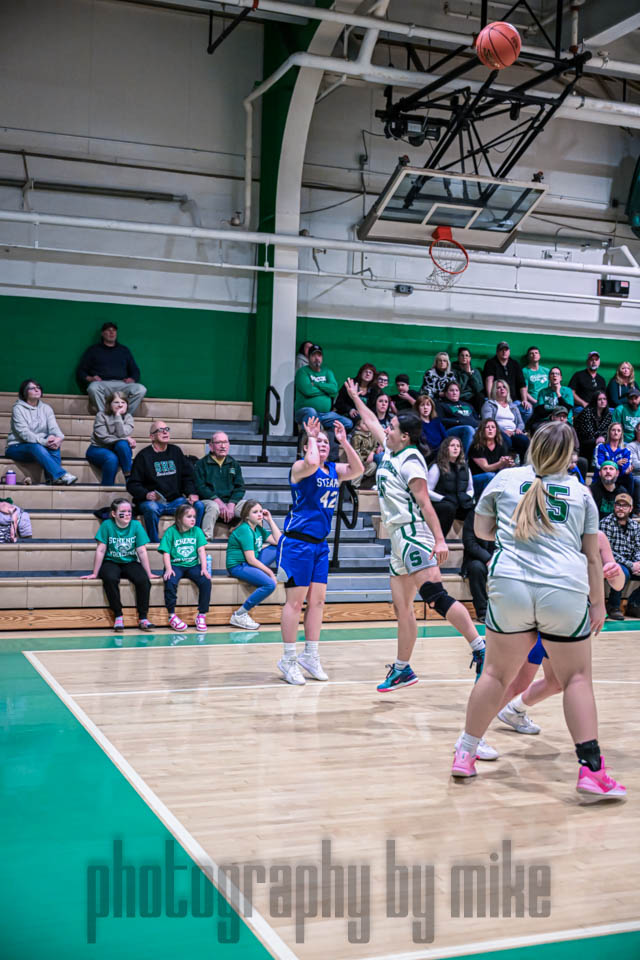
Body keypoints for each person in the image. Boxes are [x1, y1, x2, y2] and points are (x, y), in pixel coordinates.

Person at [452, 421, 626, 800]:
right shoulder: (581, 493)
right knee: (576, 678)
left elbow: (481, 531)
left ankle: (465, 753)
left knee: (495, 674)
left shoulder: (504, 479)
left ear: (533, 447)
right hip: (562, 588)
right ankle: (591, 771)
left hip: (510, 583)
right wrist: (598, 604)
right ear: (570, 456)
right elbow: (592, 558)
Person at [345, 381, 489, 699]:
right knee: (403, 608)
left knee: (435, 597)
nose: (387, 428)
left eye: (393, 427)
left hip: (413, 534)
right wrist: (355, 397)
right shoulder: (392, 449)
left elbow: (425, 503)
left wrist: (440, 541)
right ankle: (403, 668)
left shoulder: (411, 461)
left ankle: (481, 648)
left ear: (405, 436)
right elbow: (371, 420)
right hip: (397, 539)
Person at [498, 532, 625, 733]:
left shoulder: (598, 537)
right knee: (521, 682)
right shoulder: (552, 530)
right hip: (543, 611)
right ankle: (472, 736)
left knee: (555, 682)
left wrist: (615, 573)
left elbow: (618, 584)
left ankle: (514, 710)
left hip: (571, 619)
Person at [275, 415, 363, 685]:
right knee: (295, 602)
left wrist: (344, 442)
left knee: (318, 602)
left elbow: (358, 469)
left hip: (319, 545)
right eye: (318, 442)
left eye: (326, 442)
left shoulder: (334, 470)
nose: (324, 444)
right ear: (306, 446)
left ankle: (310, 655)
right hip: (297, 543)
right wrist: (312, 436)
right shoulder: (300, 467)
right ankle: (288, 659)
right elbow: (312, 462)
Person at [81, 497, 155, 631]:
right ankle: (118, 615)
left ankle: (143, 618)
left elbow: (142, 551)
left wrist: (148, 573)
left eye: (129, 511)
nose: (127, 514)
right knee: (110, 578)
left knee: (143, 580)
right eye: (123, 512)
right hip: (111, 561)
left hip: (130, 561)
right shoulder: (107, 525)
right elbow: (101, 550)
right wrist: (94, 573)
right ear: (114, 514)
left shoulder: (136, 525)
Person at [126, 421, 204, 542]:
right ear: (152, 437)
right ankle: (154, 543)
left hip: (175, 501)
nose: (165, 432)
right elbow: (132, 484)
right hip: (153, 502)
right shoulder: (143, 456)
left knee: (199, 505)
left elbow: (187, 477)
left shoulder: (176, 451)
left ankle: (192, 540)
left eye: (167, 429)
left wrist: (191, 493)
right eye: (160, 430)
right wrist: (146, 494)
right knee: (150, 508)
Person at [6, 379, 77, 485]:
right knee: (36, 446)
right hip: (17, 447)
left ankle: (52, 479)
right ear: (24, 392)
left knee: (53, 443)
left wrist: (59, 438)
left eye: (38, 387)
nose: (37, 390)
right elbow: (24, 434)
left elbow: (54, 428)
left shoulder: (46, 408)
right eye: (32, 388)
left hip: (39, 448)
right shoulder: (18, 409)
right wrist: (44, 442)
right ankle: (61, 475)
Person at [226, 501, 281, 629]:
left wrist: (270, 520)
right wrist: (270, 573)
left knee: (278, 547)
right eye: (255, 512)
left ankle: (283, 572)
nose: (260, 514)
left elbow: (279, 541)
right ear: (246, 516)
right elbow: (250, 560)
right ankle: (240, 614)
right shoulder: (245, 530)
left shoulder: (257, 529)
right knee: (270, 584)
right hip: (238, 566)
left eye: (261, 511)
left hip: (250, 563)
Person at [159, 502, 211, 633]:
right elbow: (166, 553)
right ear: (179, 518)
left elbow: (201, 551)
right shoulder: (171, 532)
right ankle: (172, 615)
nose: (193, 519)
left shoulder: (197, 531)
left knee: (206, 581)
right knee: (170, 581)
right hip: (175, 565)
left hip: (192, 565)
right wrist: (168, 569)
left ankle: (201, 615)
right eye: (189, 516)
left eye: (194, 516)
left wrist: (204, 568)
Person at [76, 322, 147, 414]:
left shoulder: (124, 350)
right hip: (102, 384)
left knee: (141, 389)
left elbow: (135, 371)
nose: (111, 332)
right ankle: (104, 415)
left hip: (122, 384)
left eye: (114, 330)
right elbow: (81, 371)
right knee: (93, 388)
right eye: (108, 330)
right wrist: (91, 378)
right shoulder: (93, 350)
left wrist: (132, 379)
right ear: (102, 334)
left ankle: (125, 415)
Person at [194, 432, 246, 541]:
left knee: (251, 507)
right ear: (211, 446)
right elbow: (201, 487)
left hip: (230, 502)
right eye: (219, 443)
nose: (223, 446)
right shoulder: (201, 464)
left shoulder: (234, 464)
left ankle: (239, 533)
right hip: (210, 500)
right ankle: (206, 540)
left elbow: (240, 488)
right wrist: (219, 502)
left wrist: (231, 504)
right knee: (213, 507)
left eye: (225, 442)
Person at [600, 493, 640, 620]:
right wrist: (631, 565)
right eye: (618, 505)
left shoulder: (635, 526)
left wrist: (638, 563)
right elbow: (608, 552)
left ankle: (634, 604)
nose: (621, 508)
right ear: (614, 506)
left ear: (631, 508)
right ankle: (613, 606)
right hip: (611, 562)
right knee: (622, 572)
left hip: (630, 562)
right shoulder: (606, 523)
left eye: (625, 506)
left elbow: (638, 548)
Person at [294, 345, 352, 431]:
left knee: (348, 423)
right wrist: (326, 391)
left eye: (319, 355)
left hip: (325, 415)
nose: (317, 358)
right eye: (313, 355)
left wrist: (316, 384)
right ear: (308, 358)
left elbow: (334, 390)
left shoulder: (327, 372)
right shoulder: (302, 372)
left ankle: (325, 435)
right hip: (305, 412)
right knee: (311, 412)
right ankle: (307, 436)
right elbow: (308, 391)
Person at [427, 436, 475, 538]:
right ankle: (439, 539)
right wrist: (443, 498)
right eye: (452, 445)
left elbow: (470, 489)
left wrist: (467, 497)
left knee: (477, 509)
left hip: (459, 502)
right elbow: (427, 490)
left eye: (458, 446)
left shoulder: (465, 468)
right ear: (446, 448)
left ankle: (473, 542)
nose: (456, 448)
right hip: (441, 504)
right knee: (449, 508)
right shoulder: (437, 466)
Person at [85, 392, 136, 486]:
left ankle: (129, 477)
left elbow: (121, 434)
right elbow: (103, 437)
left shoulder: (128, 417)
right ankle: (107, 487)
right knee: (112, 458)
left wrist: (117, 416)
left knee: (123, 444)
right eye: (116, 402)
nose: (120, 405)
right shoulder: (101, 415)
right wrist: (126, 438)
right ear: (109, 404)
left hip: (118, 449)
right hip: (98, 448)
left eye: (123, 402)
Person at [482, 341, 531, 424]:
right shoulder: (490, 363)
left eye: (506, 350)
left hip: (513, 401)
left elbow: (522, 383)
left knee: (528, 410)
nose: (504, 352)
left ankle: (516, 427)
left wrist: (524, 400)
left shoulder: (515, 364)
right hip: (497, 400)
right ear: (497, 352)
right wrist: (491, 399)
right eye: (501, 350)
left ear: (509, 351)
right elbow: (489, 380)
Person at [481, 380, 529, 460]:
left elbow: (521, 423)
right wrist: (502, 431)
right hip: (498, 432)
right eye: (498, 388)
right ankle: (503, 463)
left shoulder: (513, 406)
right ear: (494, 391)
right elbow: (487, 422)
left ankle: (524, 464)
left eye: (504, 387)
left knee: (524, 440)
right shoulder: (489, 404)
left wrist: (518, 429)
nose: (502, 389)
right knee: (506, 440)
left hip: (513, 432)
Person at [460, 510, 494, 622]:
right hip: (477, 559)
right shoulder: (473, 515)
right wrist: (488, 559)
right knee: (476, 568)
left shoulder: (505, 515)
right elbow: (469, 543)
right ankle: (483, 612)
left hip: (500, 558)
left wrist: (498, 558)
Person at [468, 419, 513, 497]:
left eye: (493, 427)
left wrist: (508, 464)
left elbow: (502, 468)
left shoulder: (501, 445)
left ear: (496, 430)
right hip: (476, 481)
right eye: (487, 427)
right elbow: (486, 468)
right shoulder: (476, 446)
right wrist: (500, 463)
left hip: (494, 477)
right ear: (482, 430)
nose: (490, 429)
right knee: (490, 476)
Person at [436, 380, 478, 455]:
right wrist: (458, 421)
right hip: (451, 430)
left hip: (471, 427)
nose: (454, 393)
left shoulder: (467, 405)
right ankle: (463, 459)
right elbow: (440, 420)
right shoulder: (441, 405)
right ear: (445, 393)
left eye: (456, 390)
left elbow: (476, 419)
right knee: (469, 429)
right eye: (451, 390)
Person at [595, 423, 634, 497]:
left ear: (621, 434)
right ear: (609, 432)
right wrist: (616, 463)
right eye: (613, 430)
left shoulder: (626, 450)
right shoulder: (601, 447)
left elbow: (625, 468)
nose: (616, 433)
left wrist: (610, 463)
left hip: (619, 477)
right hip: (603, 476)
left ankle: (627, 501)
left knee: (629, 477)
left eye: (618, 431)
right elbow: (599, 465)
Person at [574, 391, 612, 465]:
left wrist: (603, 437)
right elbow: (588, 433)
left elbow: (607, 430)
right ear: (595, 401)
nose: (602, 401)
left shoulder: (608, 414)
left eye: (604, 399)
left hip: (599, 440)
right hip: (584, 441)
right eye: (599, 399)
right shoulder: (587, 412)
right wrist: (600, 437)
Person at [343, 419, 378, 489]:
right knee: (358, 470)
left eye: (367, 423)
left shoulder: (372, 435)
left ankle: (363, 479)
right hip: (358, 461)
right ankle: (354, 487)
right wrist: (361, 462)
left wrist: (372, 452)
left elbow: (375, 446)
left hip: (367, 461)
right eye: (364, 424)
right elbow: (356, 451)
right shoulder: (357, 436)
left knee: (373, 466)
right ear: (359, 427)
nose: (367, 425)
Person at [451, 347, 484, 411]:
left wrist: (470, 374)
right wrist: (466, 374)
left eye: (466, 355)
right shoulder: (453, 371)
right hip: (460, 397)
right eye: (462, 355)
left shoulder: (475, 371)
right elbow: (460, 388)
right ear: (458, 357)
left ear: (470, 358)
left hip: (472, 397)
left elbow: (479, 389)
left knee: (480, 396)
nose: (464, 357)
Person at [416, 394, 446, 460]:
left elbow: (445, 438)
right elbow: (426, 443)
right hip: (429, 455)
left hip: (442, 452)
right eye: (422, 405)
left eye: (428, 405)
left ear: (432, 407)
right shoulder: (417, 424)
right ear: (418, 408)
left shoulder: (437, 422)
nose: (425, 407)